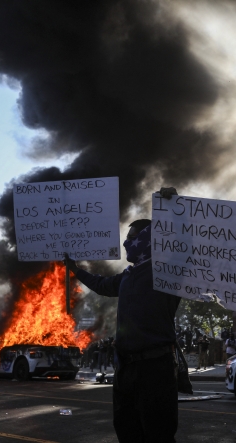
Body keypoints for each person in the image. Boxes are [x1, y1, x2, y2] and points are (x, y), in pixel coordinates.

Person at [63, 187, 181, 442]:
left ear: (149, 239)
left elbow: (184, 243)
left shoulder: (168, 272)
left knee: (158, 431)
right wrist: (76, 270)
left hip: (155, 367)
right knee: (127, 429)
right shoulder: (127, 276)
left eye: (133, 237)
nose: (127, 243)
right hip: (126, 368)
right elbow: (103, 285)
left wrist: (171, 207)